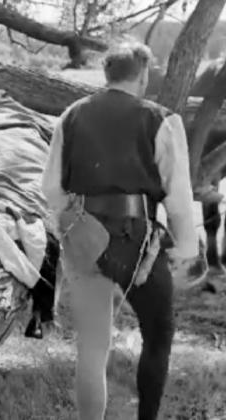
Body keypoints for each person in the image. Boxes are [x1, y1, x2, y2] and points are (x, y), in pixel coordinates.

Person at [42, 42, 205, 420]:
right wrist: (186, 250)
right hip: (137, 244)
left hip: (82, 238)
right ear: (143, 75)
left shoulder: (71, 115)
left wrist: (77, 221)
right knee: (158, 334)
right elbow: (179, 199)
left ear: (107, 73)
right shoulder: (162, 119)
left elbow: (51, 189)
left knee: (92, 348)